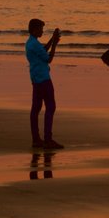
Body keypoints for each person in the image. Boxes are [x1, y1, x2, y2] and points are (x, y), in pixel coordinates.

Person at [26, 18, 64, 150]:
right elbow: (48, 59)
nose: (42, 31)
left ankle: (36, 139)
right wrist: (55, 45)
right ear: (34, 29)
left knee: (36, 109)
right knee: (50, 107)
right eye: (40, 29)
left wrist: (52, 40)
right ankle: (48, 139)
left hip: (36, 78)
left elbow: (43, 50)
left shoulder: (31, 42)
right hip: (43, 78)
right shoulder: (34, 44)